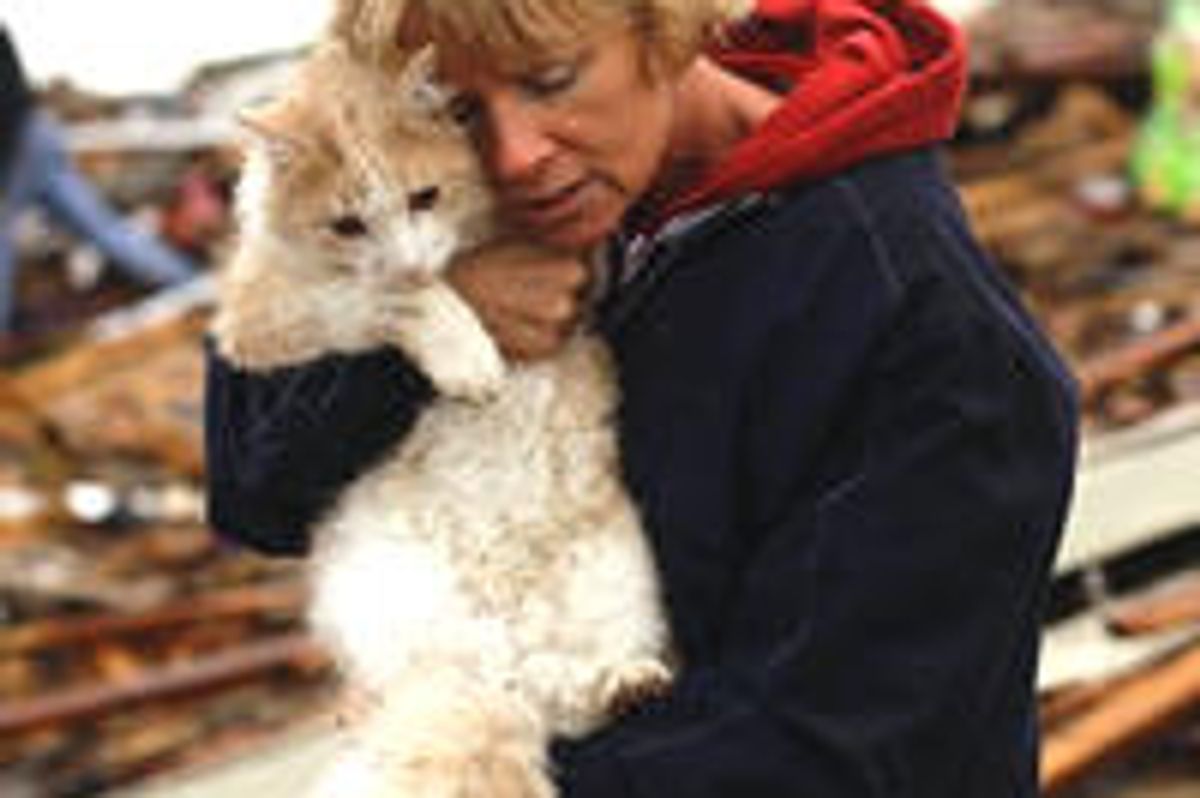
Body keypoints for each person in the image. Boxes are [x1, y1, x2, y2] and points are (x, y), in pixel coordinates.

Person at [204, 0, 1080, 795]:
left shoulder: (921, 323)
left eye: (553, 80)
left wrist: (474, 779)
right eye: (457, 108)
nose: (516, 156)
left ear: (666, 24)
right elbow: (254, 489)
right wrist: (418, 325)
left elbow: (840, 746)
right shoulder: (459, 216)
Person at [0, 25, 198, 332]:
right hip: (33, 133)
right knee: (103, 227)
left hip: (17, 142)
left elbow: (7, 100)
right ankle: (186, 280)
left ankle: (189, 284)